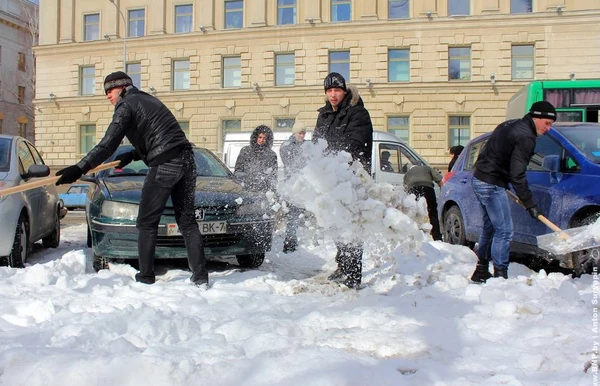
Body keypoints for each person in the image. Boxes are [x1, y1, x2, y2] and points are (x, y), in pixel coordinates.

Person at [54, 71, 208, 287]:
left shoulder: (126, 105)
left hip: (165, 163)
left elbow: (108, 143)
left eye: (110, 90)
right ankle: (201, 277)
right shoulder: (148, 99)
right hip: (187, 160)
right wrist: (134, 154)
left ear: (122, 88)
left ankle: (145, 276)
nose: (108, 95)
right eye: (105, 91)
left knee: (146, 222)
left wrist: (80, 168)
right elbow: (158, 135)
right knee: (187, 221)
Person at [470, 101, 556, 282]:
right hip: (491, 184)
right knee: (505, 231)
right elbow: (518, 174)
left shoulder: (509, 124)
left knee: (491, 227)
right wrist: (530, 204)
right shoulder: (526, 137)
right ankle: (501, 275)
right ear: (536, 117)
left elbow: (489, 153)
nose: (548, 128)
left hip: (480, 179)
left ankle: (481, 270)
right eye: (547, 123)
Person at [313, 72, 373, 289]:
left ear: (345, 91)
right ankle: (342, 264)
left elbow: (355, 144)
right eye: (329, 91)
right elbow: (316, 142)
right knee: (335, 224)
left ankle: (354, 275)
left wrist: (329, 156)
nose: (333, 95)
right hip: (330, 179)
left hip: (353, 178)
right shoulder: (324, 115)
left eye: (336, 90)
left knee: (352, 227)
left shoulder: (358, 113)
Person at [280, 121, 308, 253]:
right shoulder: (287, 146)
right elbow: (290, 163)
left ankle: (298, 240)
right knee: (293, 216)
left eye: (304, 133)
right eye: (300, 133)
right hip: (293, 187)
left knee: (304, 216)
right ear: (295, 133)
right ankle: (289, 243)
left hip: (305, 186)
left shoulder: (306, 145)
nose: (302, 135)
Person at [403, 165, 443, 241]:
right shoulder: (427, 168)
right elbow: (440, 179)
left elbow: (405, 187)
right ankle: (437, 237)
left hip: (413, 188)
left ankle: (413, 235)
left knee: (413, 212)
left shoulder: (408, 173)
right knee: (433, 212)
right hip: (427, 187)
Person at [234, 125, 278, 193]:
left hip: (263, 190)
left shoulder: (271, 155)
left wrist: (272, 191)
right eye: (260, 137)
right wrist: (246, 180)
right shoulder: (245, 151)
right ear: (255, 137)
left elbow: (273, 176)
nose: (261, 140)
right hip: (246, 189)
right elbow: (238, 171)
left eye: (264, 138)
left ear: (268, 140)